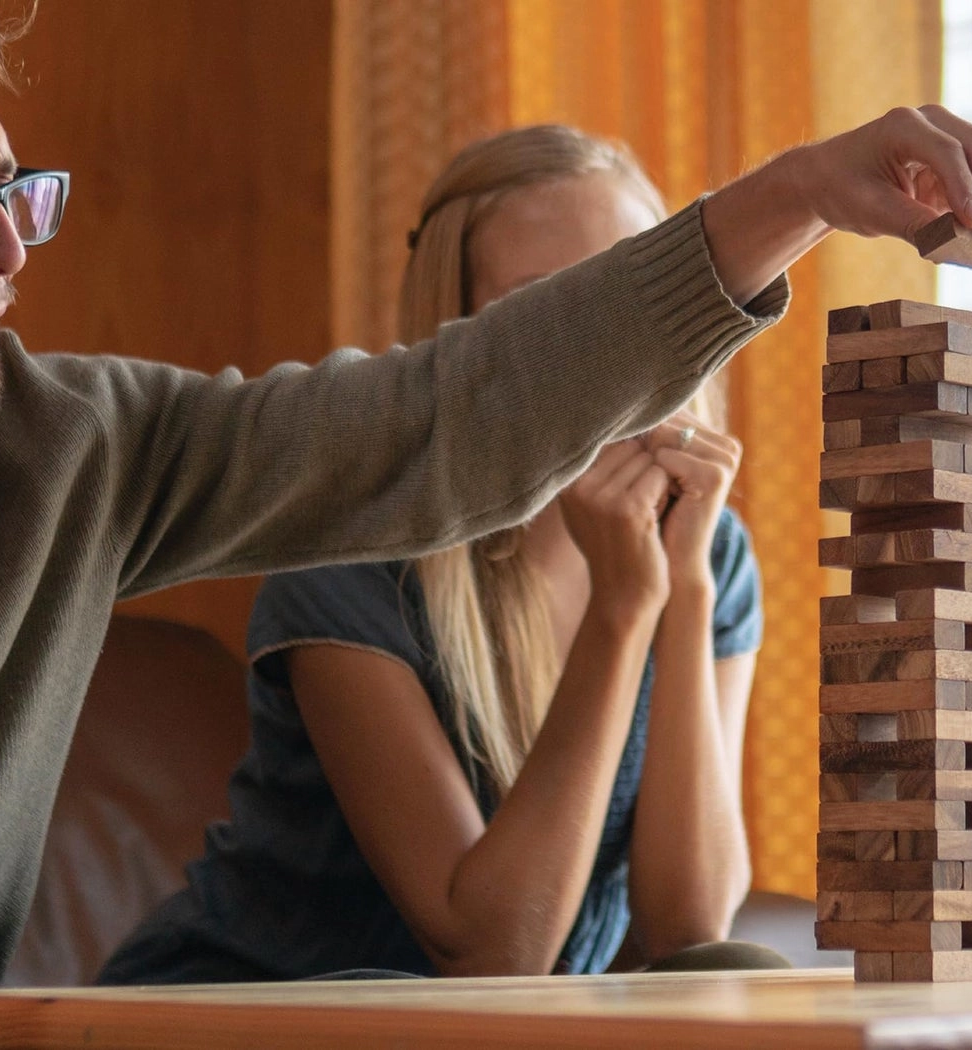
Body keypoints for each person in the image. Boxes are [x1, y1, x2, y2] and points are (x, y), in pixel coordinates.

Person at [0, 0, 972, 989]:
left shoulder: (75, 450)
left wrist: (799, 193)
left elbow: (450, 415)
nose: (5, 256)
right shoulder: (356, 591)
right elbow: (489, 939)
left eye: (15, 196)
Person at [99, 126, 772, 982]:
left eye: (632, 305)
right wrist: (622, 608)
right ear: (467, 351)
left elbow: (690, 930)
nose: (613, 359)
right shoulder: (346, 547)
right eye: (555, 311)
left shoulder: (711, 549)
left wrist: (681, 587)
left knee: (738, 969)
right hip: (269, 1013)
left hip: (498, 1033)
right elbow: (490, 950)